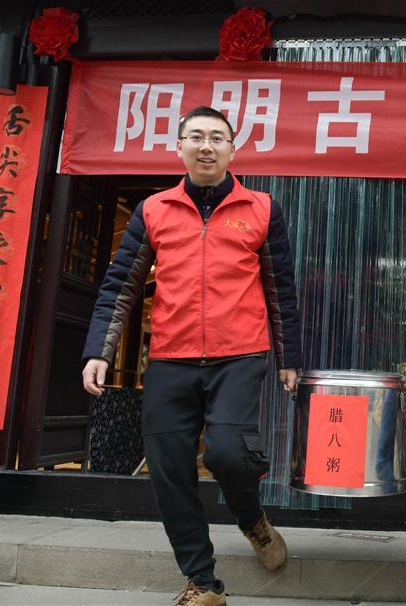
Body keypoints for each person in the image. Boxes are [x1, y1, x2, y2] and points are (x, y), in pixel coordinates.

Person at [81, 106, 302, 606]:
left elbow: (280, 289)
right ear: (178, 147)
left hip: (240, 354)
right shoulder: (153, 209)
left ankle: (252, 520)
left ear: (232, 149)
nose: (206, 146)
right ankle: (203, 582)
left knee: (228, 452)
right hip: (171, 357)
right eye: (196, 137)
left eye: (217, 138)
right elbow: (121, 285)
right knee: (168, 468)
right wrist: (100, 349)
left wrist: (289, 357)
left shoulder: (262, 208)